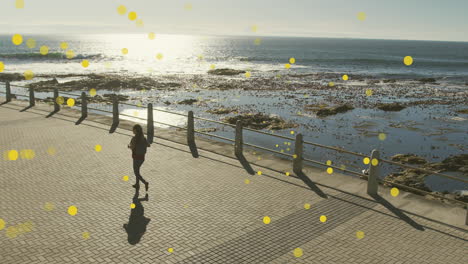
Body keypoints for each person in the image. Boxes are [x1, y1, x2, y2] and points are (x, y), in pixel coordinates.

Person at [127, 124, 150, 191]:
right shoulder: (143, 138)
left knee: (136, 172)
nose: (132, 131)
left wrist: (128, 146)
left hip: (136, 157)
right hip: (142, 158)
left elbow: (132, 147)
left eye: (133, 130)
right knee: (137, 170)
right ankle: (137, 184)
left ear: (136, 131)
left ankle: (145, 182)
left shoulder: (134, 138)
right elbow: (148, 145)